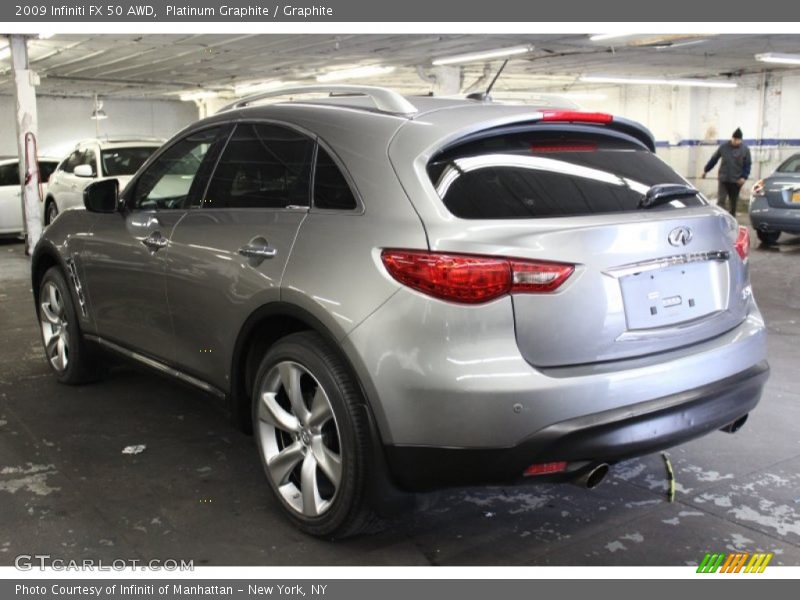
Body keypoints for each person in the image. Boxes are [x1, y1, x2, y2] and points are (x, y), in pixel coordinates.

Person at [701, 128, 752, 217]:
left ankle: (732, 218)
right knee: (721, 201)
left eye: (738, 140)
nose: (736, 141)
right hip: (723, 178)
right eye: (735, 139)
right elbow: (714, 159)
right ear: (732, 138)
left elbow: (747, 165)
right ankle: (720, 218)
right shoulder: (723, 147)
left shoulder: (745, 150)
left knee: (733, 203)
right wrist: (706, 170)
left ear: (741, 140)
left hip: (737, 180)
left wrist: (744, 177)